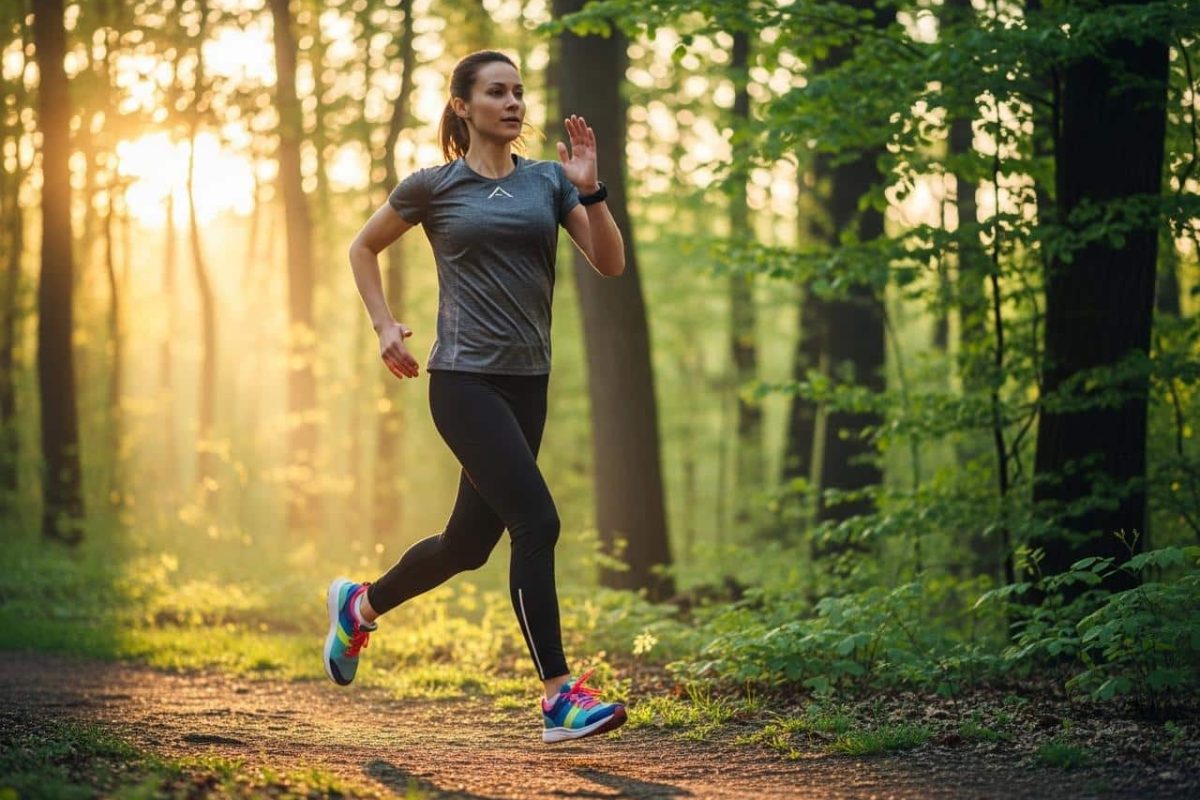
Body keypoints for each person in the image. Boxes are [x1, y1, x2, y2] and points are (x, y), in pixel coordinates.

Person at [324, 50, 628, 744]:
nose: (513, 103)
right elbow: (362, 248)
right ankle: (558, 698)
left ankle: (360, 607)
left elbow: (609, 264)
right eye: (497, 92)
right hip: (463, 381)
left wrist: (592, 191)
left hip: (528, 383)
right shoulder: (434, 186)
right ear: (463, 106)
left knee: (466, 545)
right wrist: (383, 325)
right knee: (537, 522)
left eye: (518, 92)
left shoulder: (548, 182)